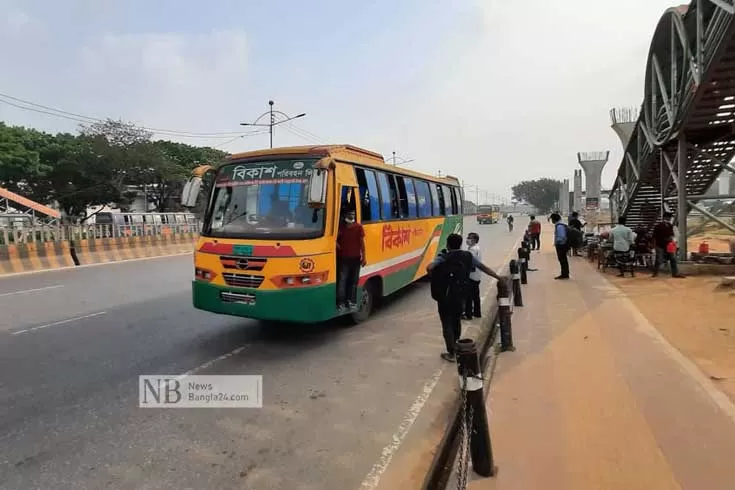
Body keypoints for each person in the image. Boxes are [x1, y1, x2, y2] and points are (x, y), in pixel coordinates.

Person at [427, 233, 504, 362]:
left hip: (445, 296)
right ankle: (457, 347)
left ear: (448, 244)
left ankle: (451, 353)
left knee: (447, 323)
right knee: (456, 321)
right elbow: (483, 267)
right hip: (461, 295)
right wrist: (498, 277)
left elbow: (429, 267)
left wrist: (434, 277)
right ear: (461, 244)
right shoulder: (467, 256)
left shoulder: (444, 257)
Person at [336, 209, 366, 310]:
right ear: (345, 216)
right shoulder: (341, 228)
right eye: (349, 214)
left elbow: (362, 243)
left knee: (353, 281)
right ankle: (341, 302)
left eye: (353, 214)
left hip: (356, 258)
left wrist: (364, 257)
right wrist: (337, 245)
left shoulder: (358, 227)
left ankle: (351, 301)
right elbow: (334, 239)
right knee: (342, 281)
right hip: (344, 258)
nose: (352, 216)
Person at [652, 212, 685, 278]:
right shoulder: (669, 226)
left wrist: (655, 246)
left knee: (659, 259)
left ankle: (655, 274)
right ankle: (674, 273)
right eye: (669, 217)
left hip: (661, 245)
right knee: (672, 259)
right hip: (667, 245)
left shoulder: (659, 226)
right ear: (666, 217)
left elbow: (654, 237)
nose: (670, 218)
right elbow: (671, 236)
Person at [463, 232, 482, 320]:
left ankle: (468, 314)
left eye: (469, 238)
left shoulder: (472, 250)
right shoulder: (477, 248)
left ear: (474, 240)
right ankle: (477, 313)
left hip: (471, 276)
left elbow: (471, 264)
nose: (467, 239)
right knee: (475, 296)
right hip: (477, 276)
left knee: (468, 297)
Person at [550, 213, 570, 279]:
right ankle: (565, 273)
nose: (551, 221)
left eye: (552, 219)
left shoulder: (559, 226)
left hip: (561, 245)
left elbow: (562, 236)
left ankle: (564, 274)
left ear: (554, 219)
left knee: (562, 260)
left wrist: (557, 242)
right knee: (563, 259)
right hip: (562, 245)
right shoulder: (560, 225)